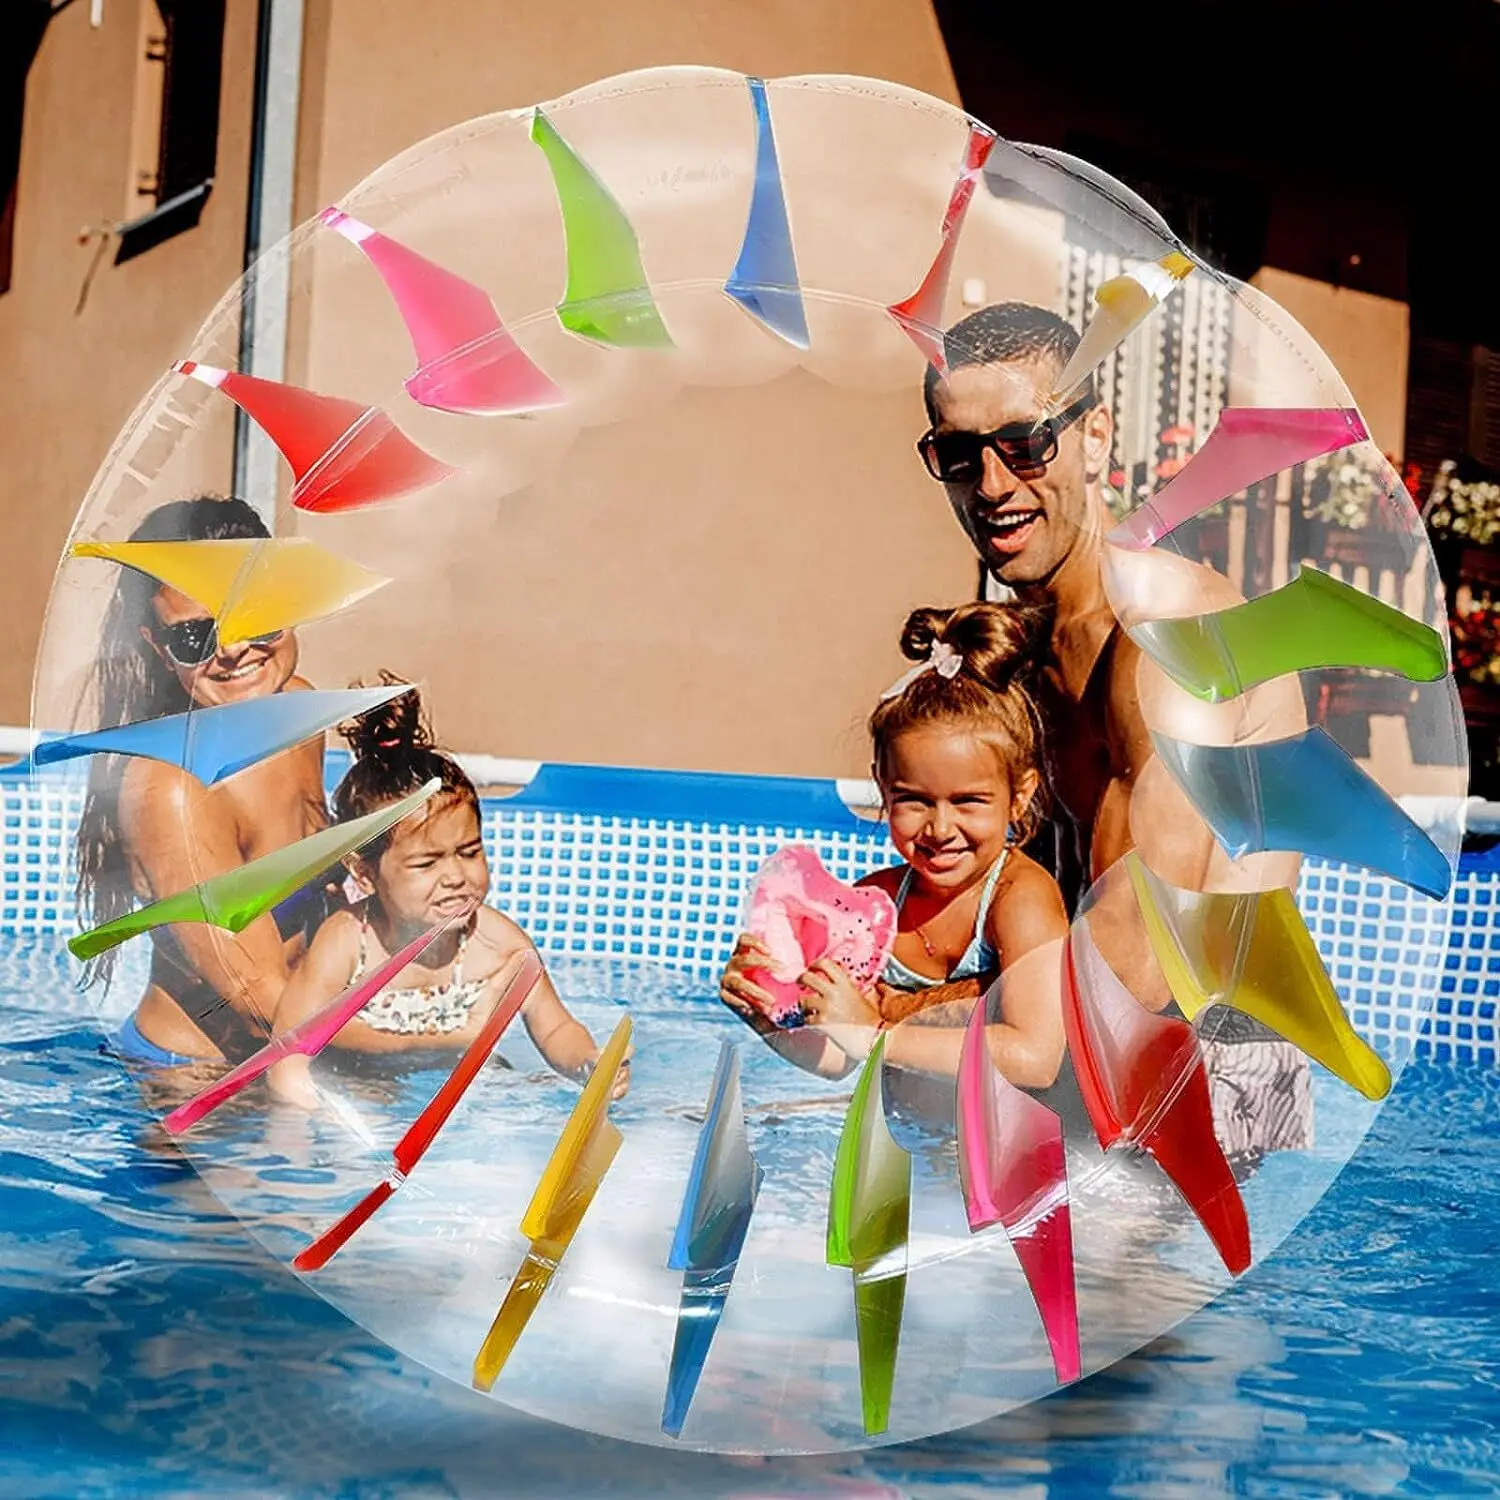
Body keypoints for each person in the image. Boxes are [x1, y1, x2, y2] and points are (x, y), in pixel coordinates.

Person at [914, 300, 1312, 1160]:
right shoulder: (1021, 642)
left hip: (1208, 1062)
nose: (991, 486)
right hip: (1080, 1028)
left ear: (1094, 439)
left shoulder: (1167, 641)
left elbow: (1132, 964)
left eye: (1025, 444)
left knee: (1098, 1280)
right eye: (958, 455)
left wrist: (881, 1019)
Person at [718, 603, 1068, 1091]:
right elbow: (836, 1057)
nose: (941, 827)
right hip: (912, 1143)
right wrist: (766, 1014)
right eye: (914, 801)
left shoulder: (1018, 898)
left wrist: (878, 1036)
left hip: (1005, 1154)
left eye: (969, 801)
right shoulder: (874, 908)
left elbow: (1037, 1055)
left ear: (1020, 796)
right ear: (884, 791)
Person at [266, 679, 627, 1106]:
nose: (456, 876)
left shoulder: (498, 945)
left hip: (464, 1099)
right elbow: (291, 1049)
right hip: (363, 1094)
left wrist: (588, 1063)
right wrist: (306, 1128)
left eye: (469, 852)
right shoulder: (348, 941)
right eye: (427, 863)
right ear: (364, 874)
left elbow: (556, 1028)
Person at [75, 496, 337, 1068]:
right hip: (193, 1086)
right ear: (158, 648)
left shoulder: (300, 711)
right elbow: (264, 1007)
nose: (233, 650)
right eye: (196, 637)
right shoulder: (170, 791)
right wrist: (442, 1037)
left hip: (289, 1060)